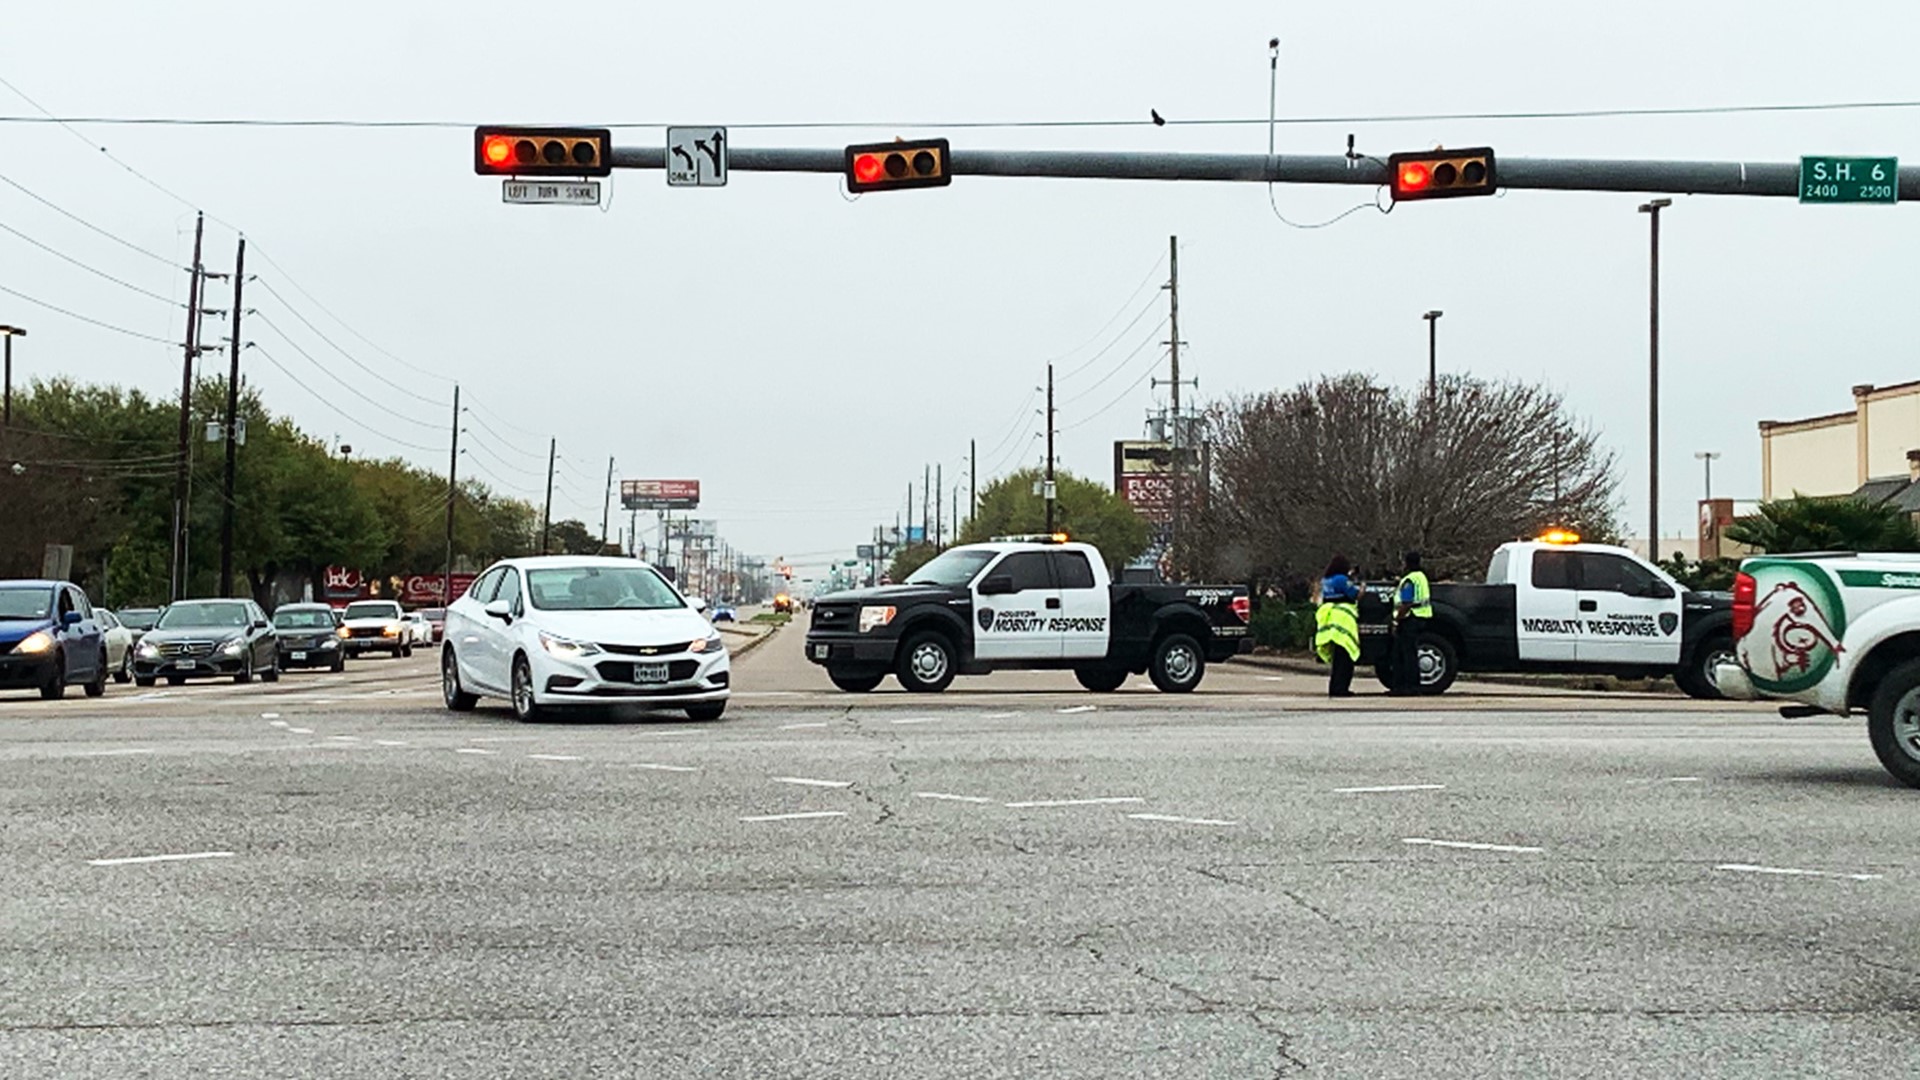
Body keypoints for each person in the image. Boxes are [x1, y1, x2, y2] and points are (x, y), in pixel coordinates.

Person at [1314, 554, 1361, 697]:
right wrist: (1362, 587)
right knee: (1345, 659)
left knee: (1337, 660)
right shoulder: (1342, 579)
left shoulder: (1326, 580)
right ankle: (1342, 689)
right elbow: (1354, 594)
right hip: (1343, 621)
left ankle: (1334, 687)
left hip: (1330, 620)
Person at [1391, 550, 1433, 695]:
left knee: (1405, 654)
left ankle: (1407, 687)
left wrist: (1396, 621)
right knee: (1411, 653)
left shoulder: (1409, 580)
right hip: (1423, 616)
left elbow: (1406, 603)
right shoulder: (1421, 577)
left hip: (1410, 618)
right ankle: (1412, 686)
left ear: (1407, 563)